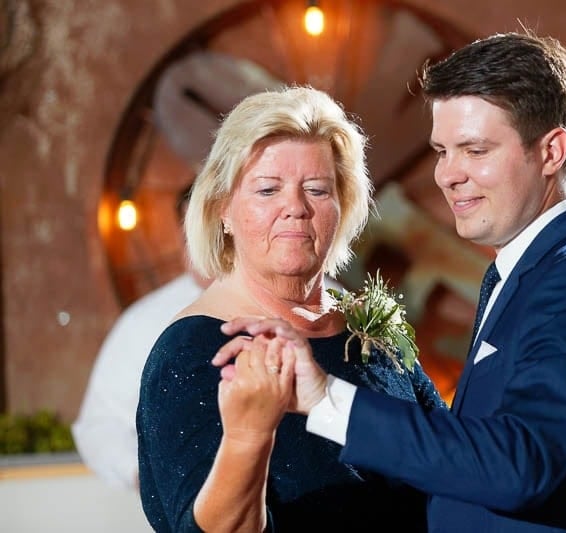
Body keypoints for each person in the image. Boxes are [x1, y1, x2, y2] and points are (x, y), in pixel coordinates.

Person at [218, 30, 566, 532]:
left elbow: (516, 466)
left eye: (475, 150)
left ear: (551, 152)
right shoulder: (523, 271)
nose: (448, 175)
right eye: (442, 151)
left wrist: (322, 397)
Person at [136, 86, 445, 532]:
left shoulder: (366, 329)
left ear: (343, 206)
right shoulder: (193, 350)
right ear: (223, 209)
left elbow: (448, 463)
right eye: (267, 190)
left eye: (317, 189)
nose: (295, 208)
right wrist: (249, 437)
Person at [72, 185, 209, 490]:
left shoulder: (317, 304)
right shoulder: (144, 322)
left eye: (212, 232)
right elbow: (101, 424)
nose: (201, 247)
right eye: (191, 235)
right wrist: (150, 476)